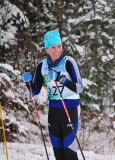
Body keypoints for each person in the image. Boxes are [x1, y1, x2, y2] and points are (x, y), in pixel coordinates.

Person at [22, 30, 83, 160]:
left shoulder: (69, 62)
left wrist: (62, 80)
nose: (57, 50)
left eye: (59, 46)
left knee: (70, 153)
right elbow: (35, 90)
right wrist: (27, 82)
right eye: (53, 47)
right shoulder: (41, 66)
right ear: (47, 49)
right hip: (54, 113)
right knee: (58, 154)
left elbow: (79, 88)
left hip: (70, 110)